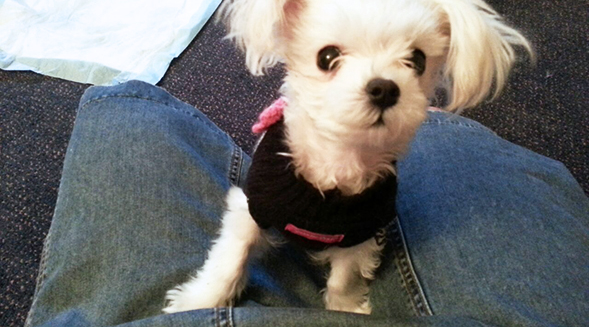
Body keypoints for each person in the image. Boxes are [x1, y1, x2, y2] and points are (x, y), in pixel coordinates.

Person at [25, 80, 588, 327]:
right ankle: (449, 128)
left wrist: (346, 291)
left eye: (412, 61)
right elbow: (249, 214)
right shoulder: (273, 179)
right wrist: (221, 281)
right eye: (330, 56)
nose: (382, 81)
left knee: (121, 107)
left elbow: (362, 240)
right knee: (451, 141)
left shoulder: (375, 200)